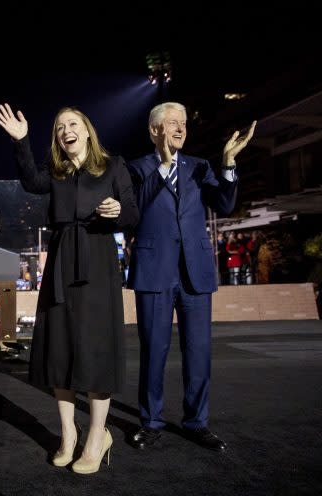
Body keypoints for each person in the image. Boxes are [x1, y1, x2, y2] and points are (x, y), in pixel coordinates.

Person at [0, 103, 139, 474]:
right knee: (59, 350)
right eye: (59, 128)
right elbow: (30, 181)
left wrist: (115, 212)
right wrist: (21, 141)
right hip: (60, 262)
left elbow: (133, 213)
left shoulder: (113, 166)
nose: (65, 131)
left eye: (72, 124)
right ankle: (68, 436)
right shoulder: (55, 174)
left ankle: (96, 436)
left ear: (87, 131)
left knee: (95, 350)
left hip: (98, 263)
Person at [126, 102, 256, 452]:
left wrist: (228, 164)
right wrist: (165, 165)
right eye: (172, 123)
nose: (181, 129)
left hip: (195, 271)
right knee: (154, 350)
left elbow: (224, 205)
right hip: (154, 271)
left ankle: (196, 422)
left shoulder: (201, 167)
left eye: (183, 123)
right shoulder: (137, 168)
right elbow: (132, 210)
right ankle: (151, 421)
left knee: (198, 351)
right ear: (155, 130)